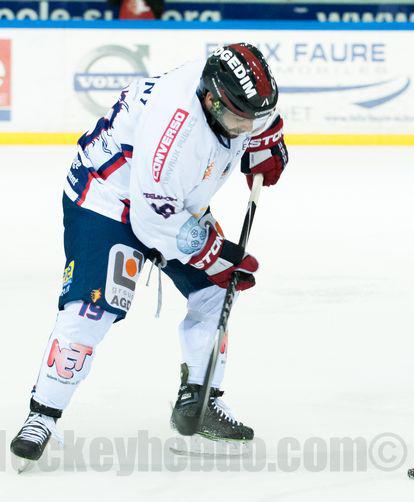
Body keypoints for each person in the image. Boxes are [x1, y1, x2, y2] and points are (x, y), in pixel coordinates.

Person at [10, 43, 288, 463]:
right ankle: (43, 415)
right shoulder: (175, 133)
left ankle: (200, 400)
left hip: (174, 201)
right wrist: (213, 254)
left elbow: (256, 117)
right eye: (240, 119)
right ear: (210, 100)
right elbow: (153, 221)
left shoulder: (228, 92)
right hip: (109, 199)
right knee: (93, 307)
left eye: (253, 117)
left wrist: (264, 138)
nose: (245, 127)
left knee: (218, 289)